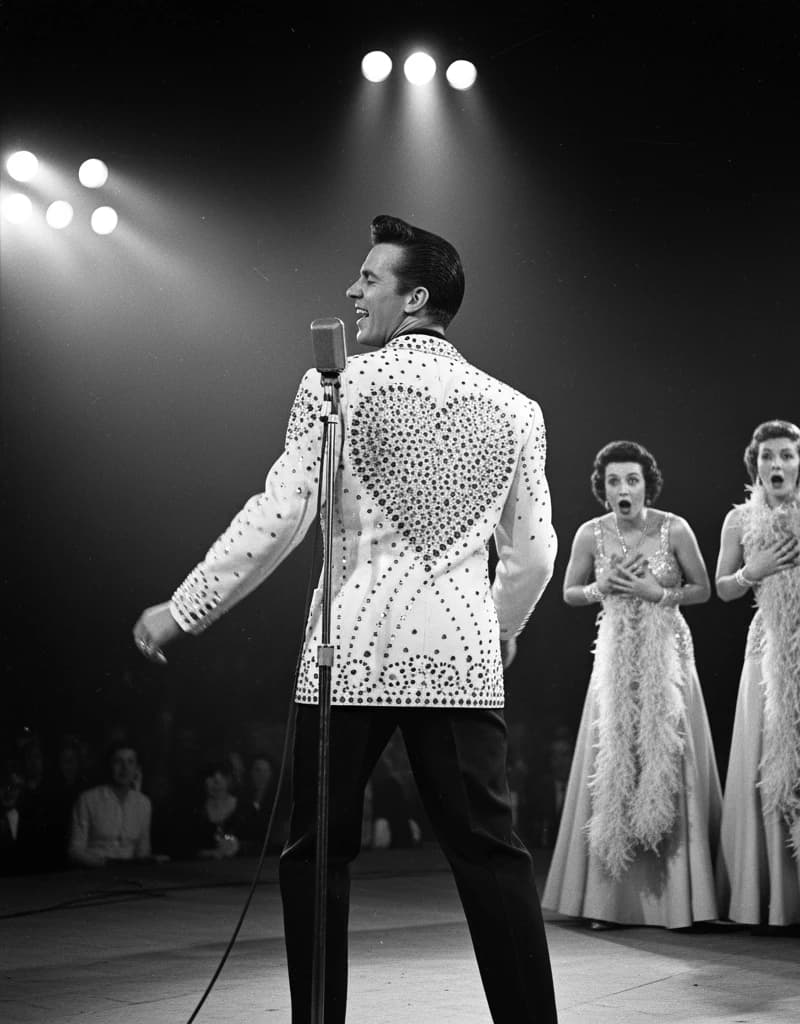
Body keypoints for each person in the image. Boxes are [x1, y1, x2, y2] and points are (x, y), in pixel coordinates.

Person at [132, 214, 558, 1023]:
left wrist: (184, 608)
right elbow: (535, 553)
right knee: (493, 858)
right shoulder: (516, 408)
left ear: (415, 295)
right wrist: (497, 626)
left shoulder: (332, 386)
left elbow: (280, 515)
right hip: (462, 663)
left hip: (352, 653)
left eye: (369, 278)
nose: (352, 290)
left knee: (318, 855)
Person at [542, 440, 721, 929]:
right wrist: (604, 588)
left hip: (669, 656)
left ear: (647, 484)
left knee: (668, 756)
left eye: (633, 480)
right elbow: (569, 592)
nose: (624, 489)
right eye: (615, 481)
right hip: (617, 658)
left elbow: (703, 589)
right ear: (603, 489)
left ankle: (680, 902)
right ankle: (610, 901)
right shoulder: (590, 534)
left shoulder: (674, 528)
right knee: (616, 760)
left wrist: (656, 592)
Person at [713, 420, 800, 930]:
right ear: (756, 464)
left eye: (787, 456)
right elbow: (723, 588)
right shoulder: (738, 520)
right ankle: (769, 900)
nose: (777, 465)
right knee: (767, 762)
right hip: (767, 645)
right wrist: (755, 570)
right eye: (768, 456)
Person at [68, 741, 152, 868]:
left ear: (137, 769)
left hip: (131, 878)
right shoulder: (88, 799)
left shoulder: (144, 803)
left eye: (130, 762)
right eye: (118, 761)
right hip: (94, 875)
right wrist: (106, 863)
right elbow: (75, 851)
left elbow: (143, 850)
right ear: (109, 766)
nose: (125, 768)